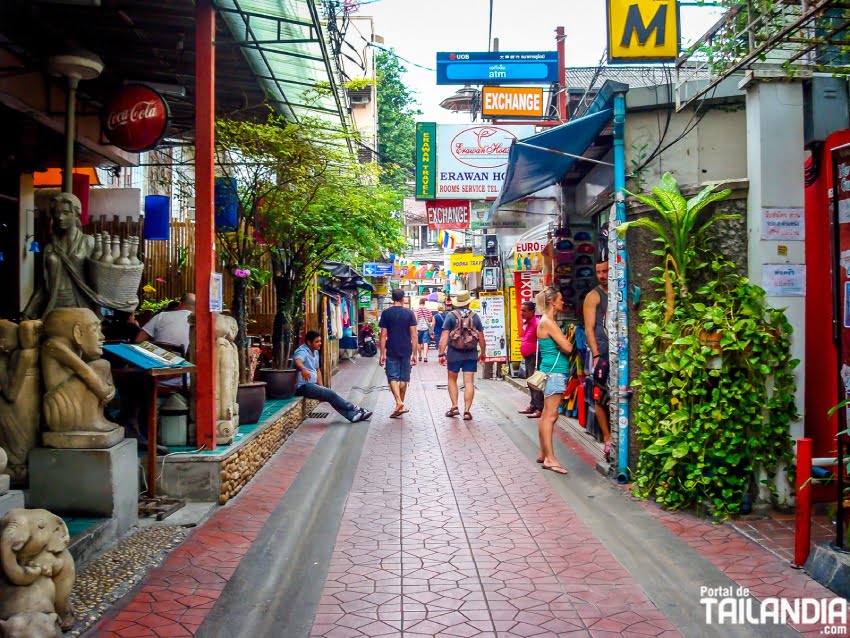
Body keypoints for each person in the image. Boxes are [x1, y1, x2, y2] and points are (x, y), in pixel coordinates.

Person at [293, 331, 372, 423]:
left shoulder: (315, 352)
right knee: (330, 393)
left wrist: (321, 387)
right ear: (309, 342)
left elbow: (317, 370)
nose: (320, 343)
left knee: (329, 396)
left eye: (320, 341)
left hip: (311, 385)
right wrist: (303, 369)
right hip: (302, 386)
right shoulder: (302, 351)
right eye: (317, 342)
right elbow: (297, 361)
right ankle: (355, 408)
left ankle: (352, 416)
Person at [536, 288, 574, 475]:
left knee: (546, 415)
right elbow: (567, 347)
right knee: (550, 416)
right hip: (554, 372)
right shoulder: (548, 322)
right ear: (552, 301)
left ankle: (544, 453)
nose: (562, 302)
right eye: (560, 299)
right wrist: (566, 339)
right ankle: (551, 459)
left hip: (549, 371)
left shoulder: (545, 321)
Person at [438, 290, 486, 421]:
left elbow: (444, 336)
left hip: (454, 353)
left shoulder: (450, 316)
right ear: (468, 303)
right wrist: (483, 352)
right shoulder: (475, 316)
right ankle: (467, 411)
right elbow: (481, 337)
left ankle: (454, 407)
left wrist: (441, 353)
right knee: (469, 382)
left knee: (452, 380)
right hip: (471, 353)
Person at [583, 260, 612, 460]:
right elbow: (589, 328)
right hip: (602, 353)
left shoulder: (622, 290)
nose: (602, 275)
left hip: (619, 351)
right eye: (599, 272)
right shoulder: (593, 296)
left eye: (605, 271)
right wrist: (595, 355)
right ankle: (608, 439)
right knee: (600, 396)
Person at [379, 289, 417, 418]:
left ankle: (399, 403)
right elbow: (414, 334)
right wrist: (415, 353)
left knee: (392, 377)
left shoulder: (386, 313)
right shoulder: (409, 313)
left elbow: (383, 334)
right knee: (404, 378)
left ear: (392, 298)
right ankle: (400, 404)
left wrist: (382, 353)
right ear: (403, 298)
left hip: (392, 348)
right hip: (406, 348)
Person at [518, 301, 544, 418]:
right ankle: (533, 405)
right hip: (529, 356)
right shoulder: (528, 323)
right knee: (530, 381)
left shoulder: (536, 323)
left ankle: (539, 407)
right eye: (521, 310)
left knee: (535, 382)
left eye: (524, 310)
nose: (521, 313)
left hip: (535, 356)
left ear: (532, 311)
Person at [414, 298, 434, 362]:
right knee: (425, 342)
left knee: (419, 343)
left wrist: (416, 327)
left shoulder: (417, 310)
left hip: (418, 328)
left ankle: (419, 356)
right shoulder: (427, 310)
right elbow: (430, 319)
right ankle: (425, 356)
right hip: (426, 328)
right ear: (424, 302)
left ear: (419, 302)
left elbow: (416, 319)